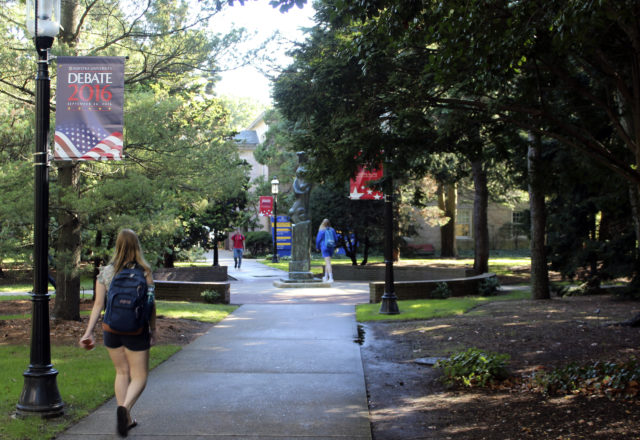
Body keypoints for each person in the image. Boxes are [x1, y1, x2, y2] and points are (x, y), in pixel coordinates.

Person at [80, 229, 156, 438]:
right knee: (140, 376)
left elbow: (98, 305)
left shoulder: (106, 271)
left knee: (121, 372)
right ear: (137, 246)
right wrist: (153, 329)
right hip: (136, 330)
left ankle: (127, 419)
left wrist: (88, 332)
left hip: (111, 329)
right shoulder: (145, 271)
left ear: (117, 246)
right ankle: (125, 409)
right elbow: (150, 304)